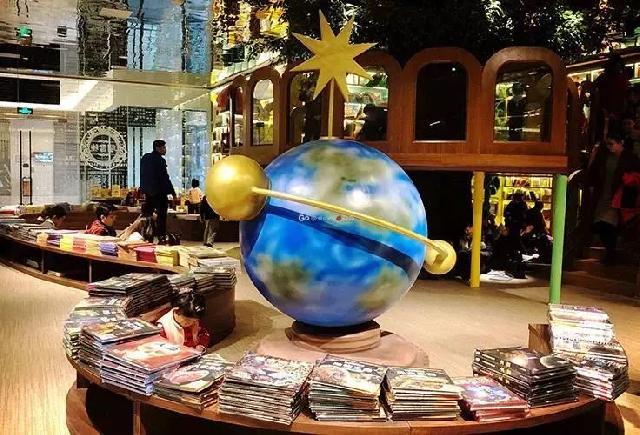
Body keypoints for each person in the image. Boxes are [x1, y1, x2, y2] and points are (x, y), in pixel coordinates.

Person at [587, 126, 640, 264]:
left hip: (620, 196)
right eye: (608, 144)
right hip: (604, 194)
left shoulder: (630, 158)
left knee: (609, 224)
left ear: (620, 142)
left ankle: (611, 253)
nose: (609, 147)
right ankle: (610, 252)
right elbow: (595, 172)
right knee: (601, 224)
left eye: (612, 144)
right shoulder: (604, 156)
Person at [140, 139, 176, 239]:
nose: (165, 150)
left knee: (148, 215)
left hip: (148, 192)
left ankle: (148, 234)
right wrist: (172, 192)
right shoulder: (160, 160)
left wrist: (143, 189)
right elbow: (164, 177)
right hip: (159, 192)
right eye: (163, 147)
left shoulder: (145, 158)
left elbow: (143, 175)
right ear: (157, 148)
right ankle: (161, 236)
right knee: (162, 215)